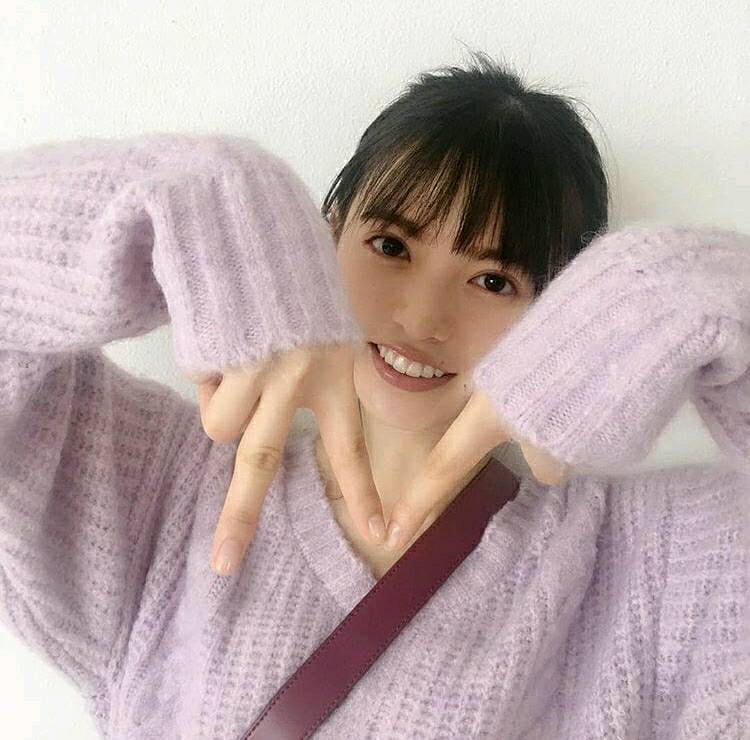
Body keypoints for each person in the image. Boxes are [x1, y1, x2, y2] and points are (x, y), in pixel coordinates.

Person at [0, 49, 748, 739]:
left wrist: (681, 293)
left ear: (561, 316)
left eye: (493, 280)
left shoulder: (640, 572)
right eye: (391, 246)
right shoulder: (164, 492)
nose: (422, 318)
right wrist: (199, 200)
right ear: (322, 240)